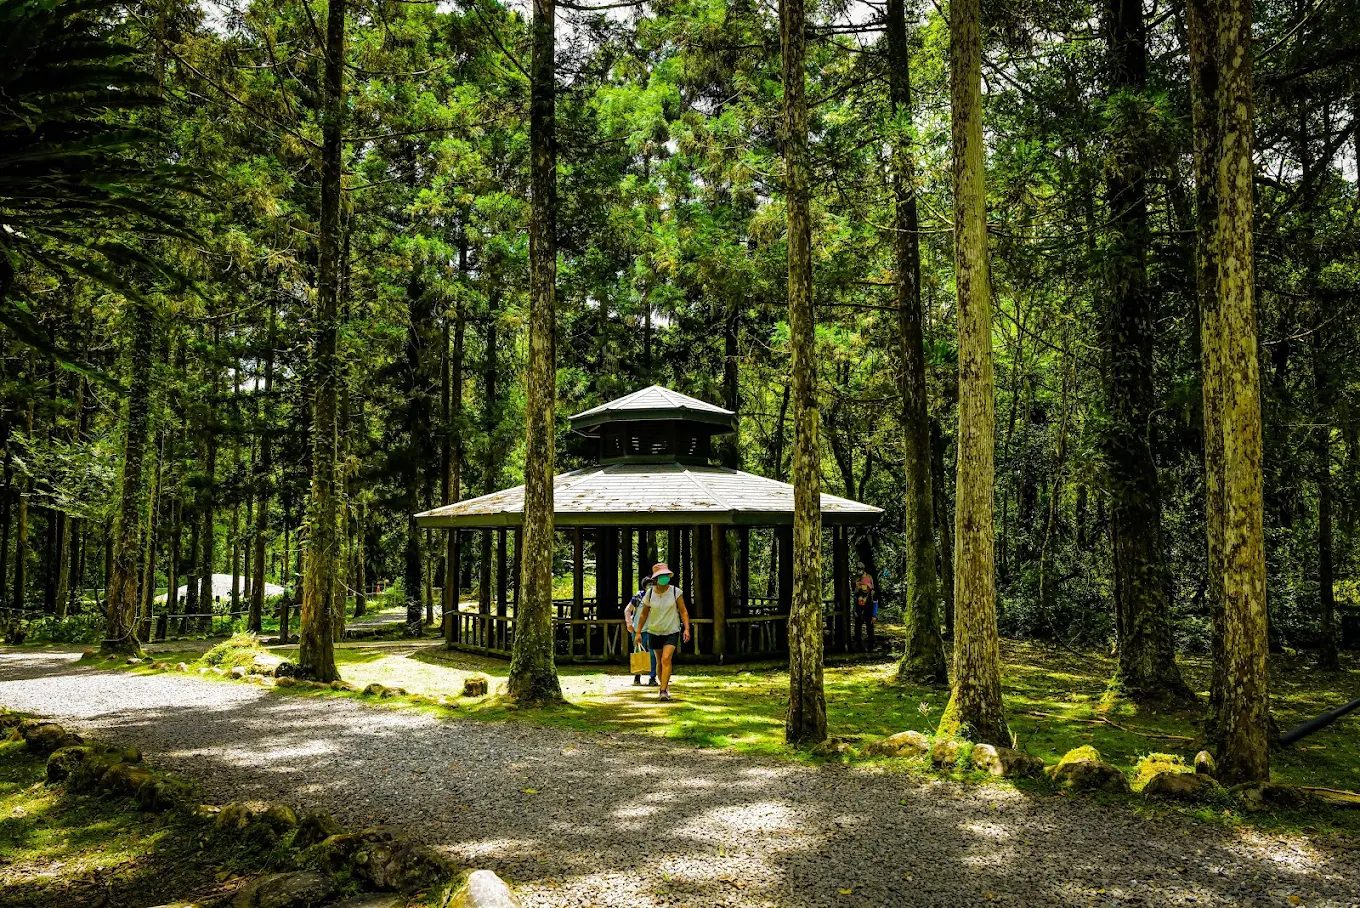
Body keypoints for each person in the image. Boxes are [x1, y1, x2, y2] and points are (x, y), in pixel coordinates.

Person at [633, 561, 690, 702]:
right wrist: (638, 632)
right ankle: (664, 685)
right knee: (659, 661)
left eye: (666, 575)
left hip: (672, 630)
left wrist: (687, 628)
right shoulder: (650, 593)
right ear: (656, 578)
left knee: (666, 659)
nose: (664, 578)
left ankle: (663, 690)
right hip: (654, 631)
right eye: (661, 576)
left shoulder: (676, 592)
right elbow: (643, 614)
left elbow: (683, 611)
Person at [623, 573, 656, 686]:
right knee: (638, 652)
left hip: (652, 629)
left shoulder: (657, 597)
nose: (651, 587)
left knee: (653, 654)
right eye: (649, 584)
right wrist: (629, 623)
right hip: (638, 630)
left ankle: (652, 677)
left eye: (652, 584)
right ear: (644, 586)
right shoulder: (638, 596)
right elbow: (628, 610)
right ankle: (637, 676)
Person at [854, 566, 877, 652]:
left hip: (869, 611)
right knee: (858, 627)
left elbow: (875, 603)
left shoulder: (872, 594)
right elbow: (855, 601)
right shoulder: (858, 593)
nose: (864, 587)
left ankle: (871, 646)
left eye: (866, 585)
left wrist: (874, 615)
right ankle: (858, 645)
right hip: (859, 610)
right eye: (862, 585)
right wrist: (855, 610)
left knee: (870, 627)